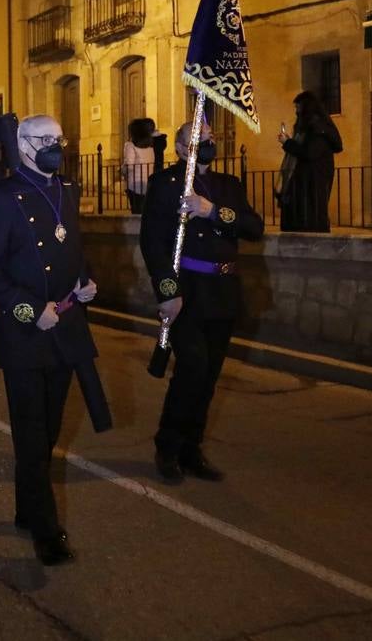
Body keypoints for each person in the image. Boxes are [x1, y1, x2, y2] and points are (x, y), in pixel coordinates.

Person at [0, 114, 102, 566]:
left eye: (59, 139)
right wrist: (31, 312)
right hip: (24, 334)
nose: (56, 146)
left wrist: (85, 282)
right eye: (46, 140)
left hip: (64, 329)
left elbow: (73, 251)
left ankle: (26, 508)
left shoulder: (66, 191)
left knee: (47, 432)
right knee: (31, 434)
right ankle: (47, 531)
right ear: (25, 146)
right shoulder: (1, 197)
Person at [140, 119, 264, 484]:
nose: (208, 143)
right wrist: (167, 292)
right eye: (198, 139)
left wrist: (211, 210)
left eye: (210, 138)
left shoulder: (229, 185)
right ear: (180, 148)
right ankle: (168, 445)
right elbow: (152, 243)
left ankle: (191, 448)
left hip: (223, 291)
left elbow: (254, 228)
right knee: (192, 368)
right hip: (187, 292)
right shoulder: (164, 184)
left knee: (209, 377)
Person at [278, 90, 343, 233]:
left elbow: (309, 152)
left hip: (311, 183)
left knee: (311, 218)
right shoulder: (312, 127)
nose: (296, 111)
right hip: (305, 182)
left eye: (298, 107)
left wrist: (287, 142)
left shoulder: (318, 128)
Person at [121, 117, 166, 215]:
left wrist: (122, 170)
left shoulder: (130, 145)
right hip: (148, 183)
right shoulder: (151, 145)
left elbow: (129, 165)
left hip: (134, 184)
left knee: (136, 212)